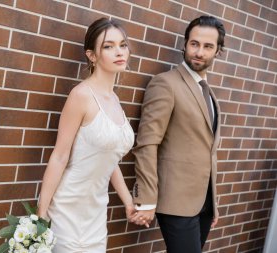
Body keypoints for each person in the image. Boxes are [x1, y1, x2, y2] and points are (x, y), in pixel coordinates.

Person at [37, 17, 135, 252]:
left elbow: (109, 159)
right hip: (67, 210)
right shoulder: (81, 95)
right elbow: (59, 156)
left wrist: (128, 202)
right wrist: (41, 215)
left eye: (122, 44)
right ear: (92, 55)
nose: (119, 51)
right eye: (108, 46)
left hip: (96, 214)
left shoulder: (114, 100)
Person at [131, 15, 225, 252]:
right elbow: (147, 143)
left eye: (207, 46)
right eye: (194, 44)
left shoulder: (208, 92)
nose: (199, 52)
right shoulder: (166, 84)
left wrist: (211, 200)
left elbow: (206, 148)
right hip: (175, 201)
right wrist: (147, 198)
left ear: (218, 51)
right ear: (185, 44)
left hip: (202, 202)